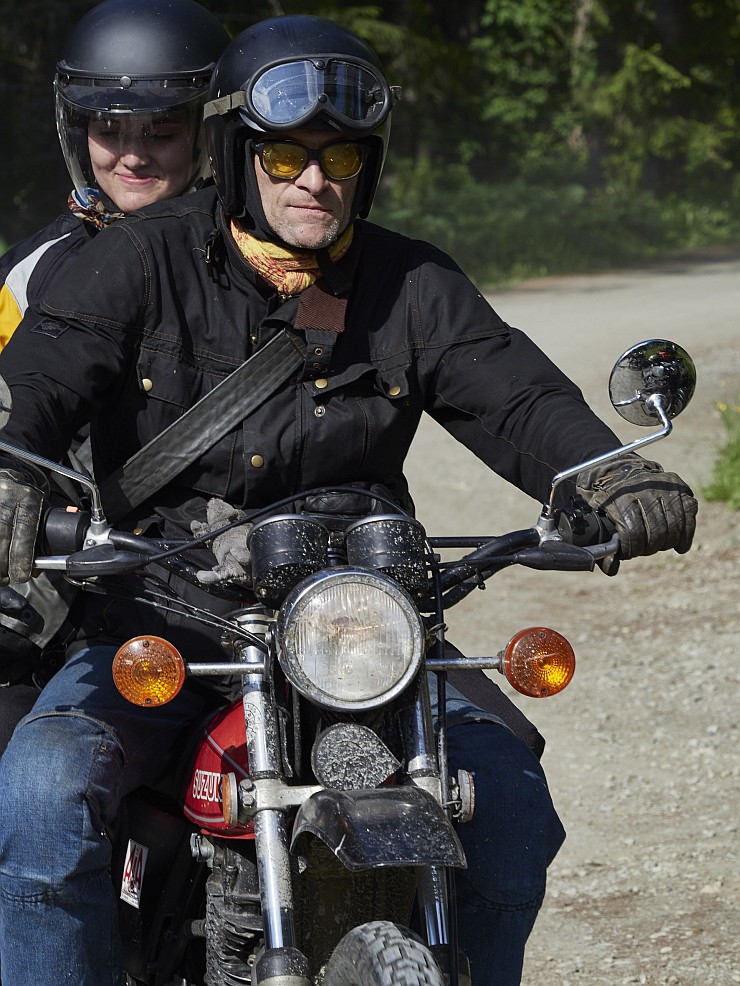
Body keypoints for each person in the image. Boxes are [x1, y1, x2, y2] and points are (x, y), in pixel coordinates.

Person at [0, 14, 697, 986]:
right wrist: (11, 473)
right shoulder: (138, 259)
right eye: (286, 156)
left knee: (510, 809)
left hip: (362, 635)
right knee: (42, 795)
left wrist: (609, 472)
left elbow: (517, 396)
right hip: (163, 620)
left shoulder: (413, 282)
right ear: (238, 155)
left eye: (341, 158)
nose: (314, 181)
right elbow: (39, 379)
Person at [0, 0, 229, 751]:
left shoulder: (263, 262)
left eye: (161, 131)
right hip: (67, 598)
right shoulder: (29, 276)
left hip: (245, 590)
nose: (132, 155)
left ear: (210, 132)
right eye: (110, 129)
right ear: (77, 130)